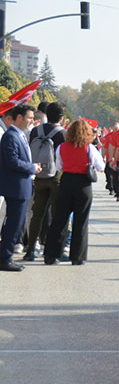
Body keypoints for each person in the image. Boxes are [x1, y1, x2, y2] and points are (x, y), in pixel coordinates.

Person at [42, 119, 105, 266]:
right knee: (81, 221)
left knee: (59, 219)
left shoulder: (62, 147)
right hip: (83, 184)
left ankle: (51, 254)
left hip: (66, 182)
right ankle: (77, 256)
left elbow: (59, 166)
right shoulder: (89, 148)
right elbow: (100, 166)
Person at [22, 102, 67, 261]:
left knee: (37, 214)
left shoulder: (35, 130)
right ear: (61, 118)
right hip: (56, 177)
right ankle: (52, 249)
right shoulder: (63, 134)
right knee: (56, 215)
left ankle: (30, 249)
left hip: (38, 175)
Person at [0, 105, 41, 271]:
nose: (31, 120)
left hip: (21, 185)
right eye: (29, 117)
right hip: (15, 186)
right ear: (18, 118)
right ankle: (5, 258)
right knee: (14, 224)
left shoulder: (20, 135)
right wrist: (32, 168)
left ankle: (5, 255)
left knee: (16, 224)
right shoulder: (11, 136)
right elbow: (13, 161)